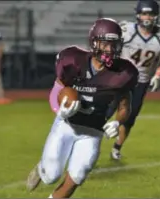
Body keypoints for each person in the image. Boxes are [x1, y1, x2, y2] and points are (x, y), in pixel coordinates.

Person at [26, 18, 138, 198]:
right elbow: (58, 89)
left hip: (92, 131)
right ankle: (42, 168)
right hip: (66, 125)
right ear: (94, 42)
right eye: (105, 44)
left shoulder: (123, 73)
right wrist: (58, 110)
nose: (110, 49)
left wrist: (118, 122)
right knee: (51, 176)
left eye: (114, 44)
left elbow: (125, 105)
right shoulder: (73, 60)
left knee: (77, 176)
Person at [107, 0, 160, 160]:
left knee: (129, 118)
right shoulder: (126, 31)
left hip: (141, 82)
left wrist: (157, 75)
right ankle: (88, 141)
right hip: (120, 78)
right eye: (144, 13)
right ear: (138, 14)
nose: (147, 17)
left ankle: (116, 148)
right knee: (106, 110)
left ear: (156, 15)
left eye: (150, 14)